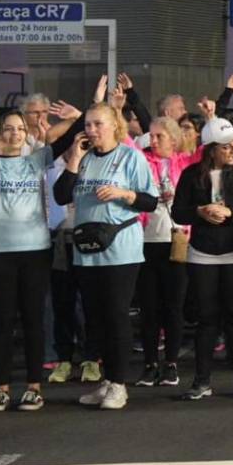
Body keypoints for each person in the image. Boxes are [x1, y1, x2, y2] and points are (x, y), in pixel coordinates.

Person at [53, 103, 159, 410]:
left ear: (115, 126)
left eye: (98, 124)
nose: (91, 130)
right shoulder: (82, 157)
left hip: (120, 248)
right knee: (95, 317)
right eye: (87, 124)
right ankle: (107, 380)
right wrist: (73, 159)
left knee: (115, 314)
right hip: (87, 249)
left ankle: (119, 383)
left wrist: (124, 195)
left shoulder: (129, 157)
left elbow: (150, 201)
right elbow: (61, 195)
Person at [0, 104, 81, 411]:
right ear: (0, 133)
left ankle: (33, 387)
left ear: (27, 134)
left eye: (19, 129)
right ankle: (1, 387)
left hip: (35, 251)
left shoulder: (36, 161)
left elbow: (68, 141)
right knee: (1, 321)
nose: (14, 134)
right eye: (9, 128)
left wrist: (77, 115)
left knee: (32, 320)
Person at [173, 117, 233, 399]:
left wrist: (231, 214)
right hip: (202, 254)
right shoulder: (191, 175)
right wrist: (200, 212)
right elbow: (178, 212)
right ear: (211, 148)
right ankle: (201, 380)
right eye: (226, 146)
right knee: (206, 319)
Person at [135, 116, 201, 389]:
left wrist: (212, 114)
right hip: (146, 240)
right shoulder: (141, 161)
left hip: (177, 240)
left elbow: (207, 148)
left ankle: (171, 363)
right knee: (149, 307)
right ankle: (150, 364)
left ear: (172, 140)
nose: (153, 140)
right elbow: (126, 143)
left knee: (174, 305)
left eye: (159, 136)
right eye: (151, 135)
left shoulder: (184, 163)